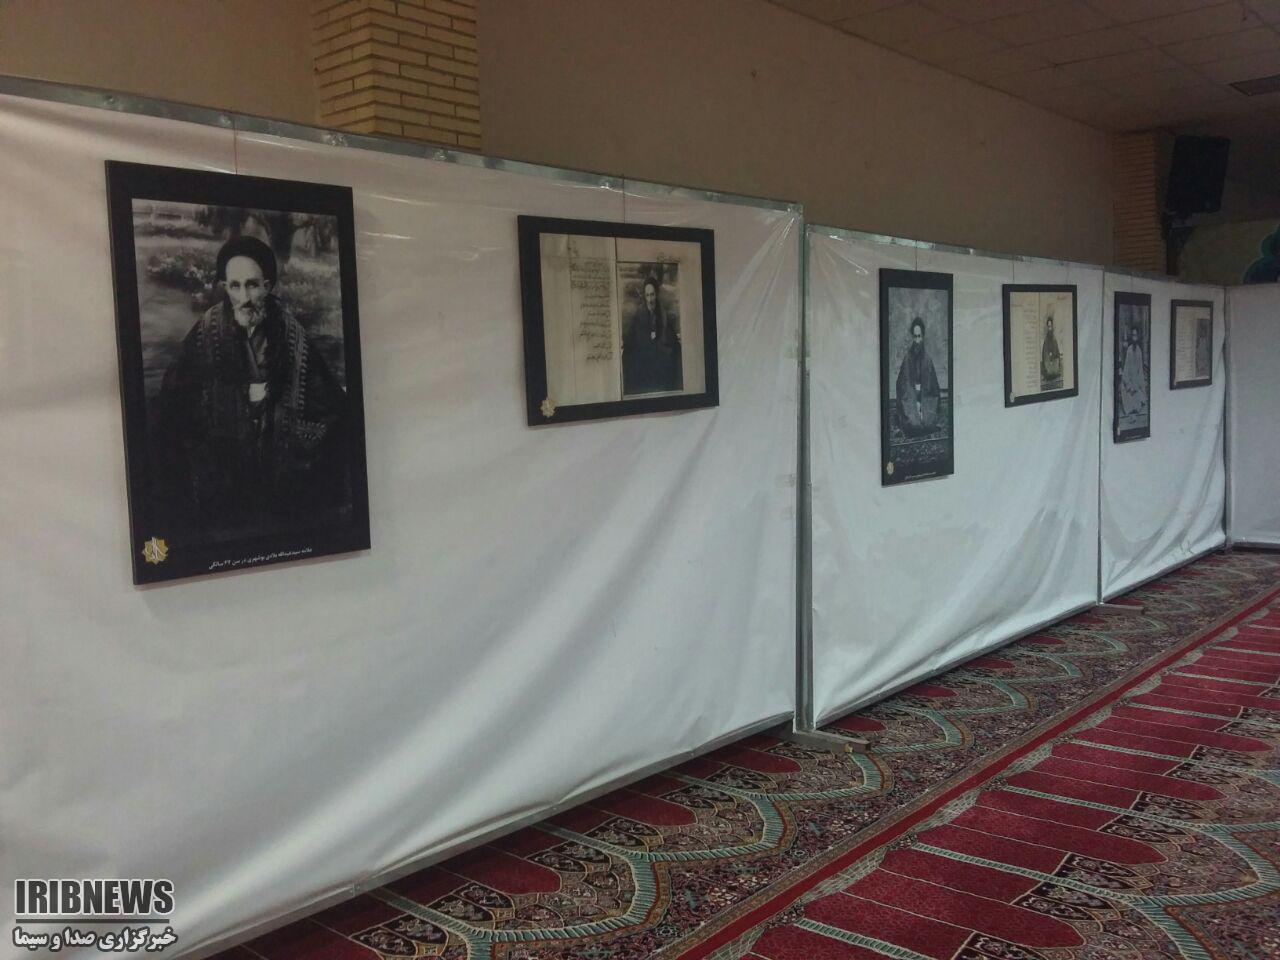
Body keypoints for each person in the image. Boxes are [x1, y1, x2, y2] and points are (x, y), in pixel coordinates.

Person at [151, 236, 349, 543]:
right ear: (225, 287)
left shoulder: (292, 333)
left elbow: (330, 403)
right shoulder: (207, 330)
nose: (244, 297)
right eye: (235, 286)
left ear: (267, 286)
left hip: (278, 470)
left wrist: (293, 427)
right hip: (224, 468)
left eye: (253, 285)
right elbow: (174, 399)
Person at [621, 273, 682, 395]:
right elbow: (631, 340)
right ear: (644, 296)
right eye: (647, 295)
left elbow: (672, 341)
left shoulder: (663, 314)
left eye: (652, 295)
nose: (650, 300)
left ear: (656, 294)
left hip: (659, 357)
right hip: (644, 357)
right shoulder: (639, 314)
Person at [895, 317, 941, 437]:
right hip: (911, 399)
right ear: (912, 337)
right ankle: (913, 418)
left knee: (928, 423)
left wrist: (925, 401)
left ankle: (923, 416)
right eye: (915, 336)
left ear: (923, 336)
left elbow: (934, 389)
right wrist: (914, 400)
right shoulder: (907, 359)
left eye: (919, 336)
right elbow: (902, 387)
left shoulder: (928, 360)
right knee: (914, 424)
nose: (917, 340)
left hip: (926, 399)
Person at [1118, 322, 1147, 422]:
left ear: (1138, 337)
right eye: (1133, 335)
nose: (1134, 337)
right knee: (1129, 402)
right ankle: (1131, 414)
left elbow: (1140, 372)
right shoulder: (1129, 350)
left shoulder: (1139, 351)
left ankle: (1134, 414)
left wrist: (1137, 386)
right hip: (1128, 384)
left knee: (1140, 399)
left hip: (1136, 383)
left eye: (1136, 335)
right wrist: (1130, 386)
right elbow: (1126, 372)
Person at [1040, 309, 1063, 391]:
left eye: (1051, 326)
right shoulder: (1047, 339)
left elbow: (1056, 349)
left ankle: (1053, 372)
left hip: (1054, 359)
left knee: (1055, 367)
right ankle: (1049, 373)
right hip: (1048, 359)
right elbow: (1045, 352)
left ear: (1052, 326)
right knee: (1049, 366)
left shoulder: (1054, 338)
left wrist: (1055, 355)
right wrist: (1049, 356)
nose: (1049, 328)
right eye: (1048, 326)